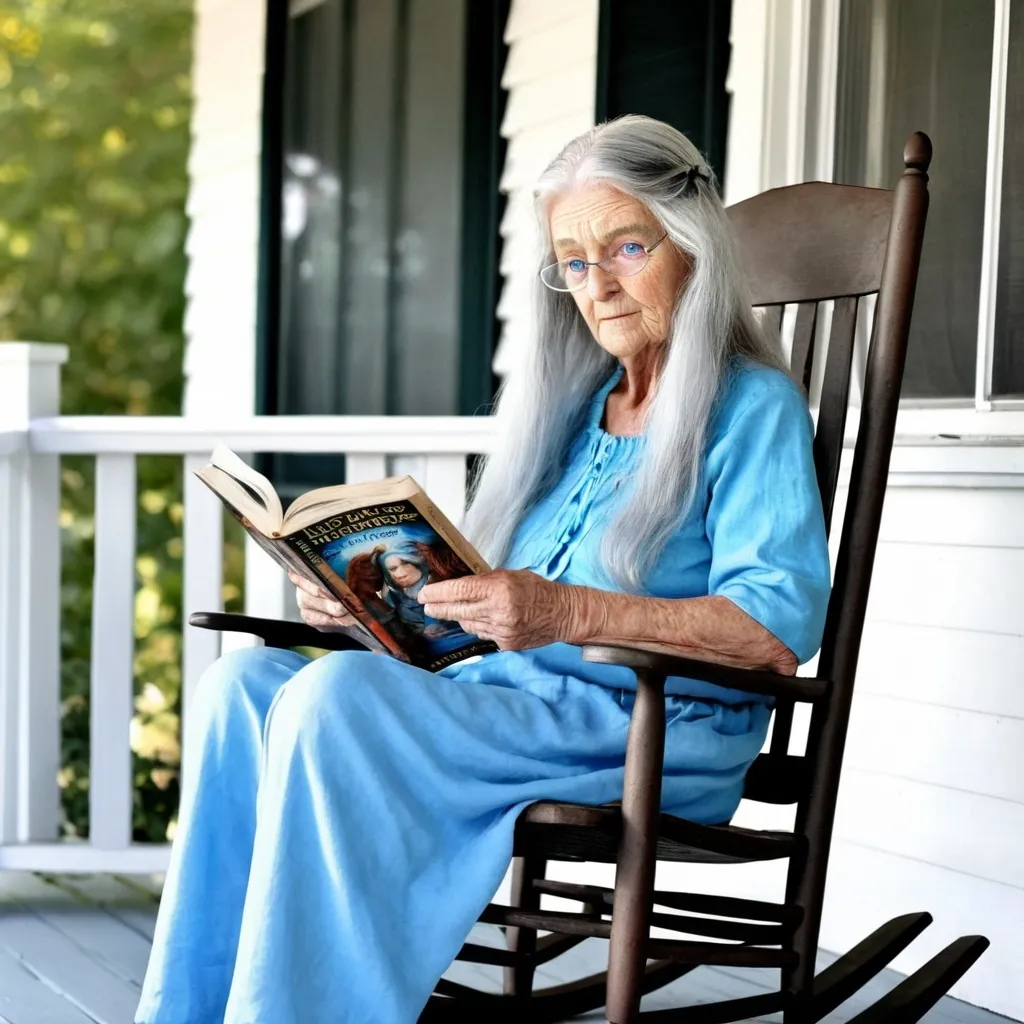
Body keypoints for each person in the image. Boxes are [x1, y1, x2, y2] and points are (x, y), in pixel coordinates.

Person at [136, 115, 831, 1024]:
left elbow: (775, 630)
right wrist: (365, 610)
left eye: (625, 246)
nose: (599, 285)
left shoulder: (752, 408)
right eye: (574, 263)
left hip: (652, 728)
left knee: (332, 700)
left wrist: (562, 612)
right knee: (245, 685)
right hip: (512, 707)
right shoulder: (576, 412)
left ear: (691, 247)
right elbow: (499, 616)